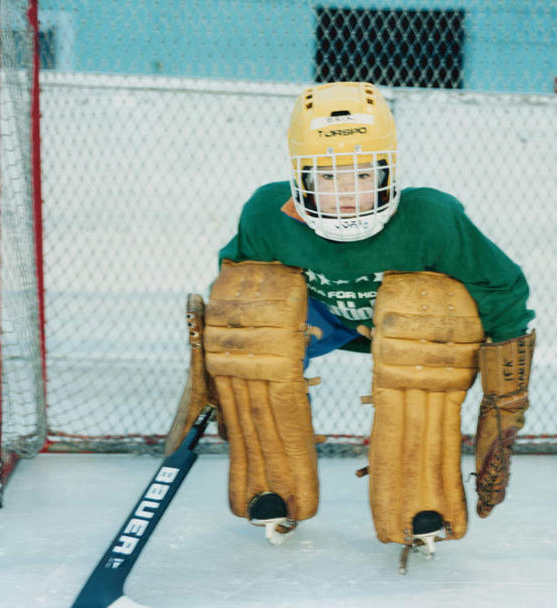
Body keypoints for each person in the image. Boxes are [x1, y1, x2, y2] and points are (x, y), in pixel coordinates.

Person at [194, 81, 535, 570]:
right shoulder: (267, 214)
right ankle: (273, 486)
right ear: (300, 177)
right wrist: (229, 354)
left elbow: (501, 285)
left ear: (388, 171)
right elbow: (238, 284)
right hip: (320, 317)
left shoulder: (433, 217)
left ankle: (420, 500)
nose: (348, 194)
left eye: (362, 175)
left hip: (405, 326)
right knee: (258, 345)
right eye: (328, 179)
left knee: (422, 371)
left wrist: (507, 379)